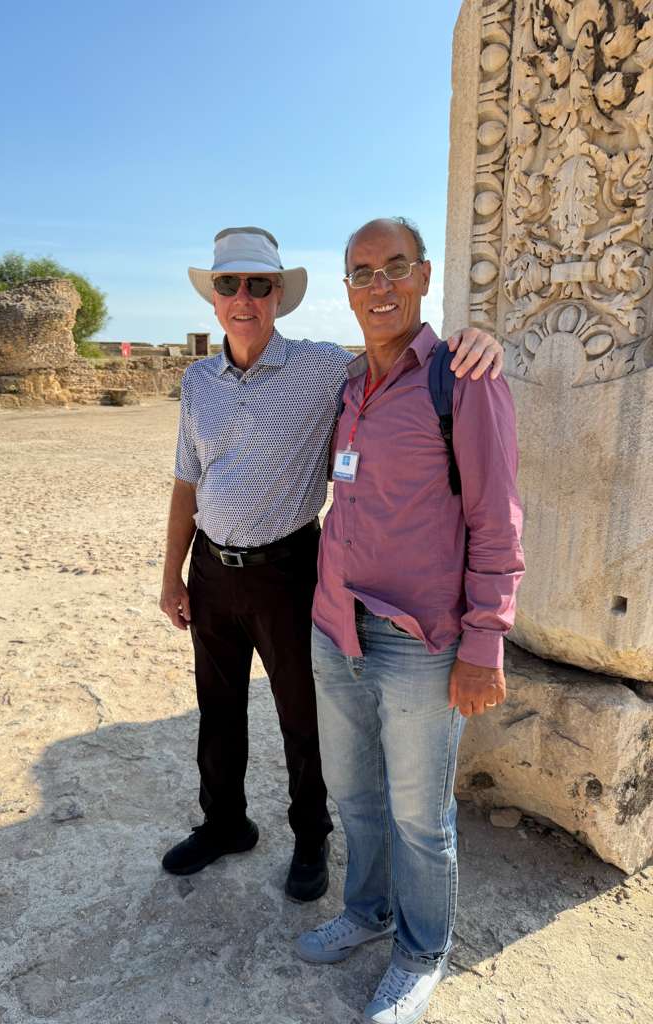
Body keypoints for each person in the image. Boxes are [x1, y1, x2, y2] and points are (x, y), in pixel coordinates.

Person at [158, 225, 504, 903]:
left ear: (278, 295)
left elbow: (396, 357)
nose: (244, 298)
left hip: (289, 570)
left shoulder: (322, 368)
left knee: (302, 716)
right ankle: (225, 824)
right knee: (217, 708)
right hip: (213, 570)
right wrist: (171, 574)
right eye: (229, 284)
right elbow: (186, 482)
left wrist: (477, 340)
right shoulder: (196, 381)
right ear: (214, 297)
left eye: (259, 285)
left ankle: (311, 838)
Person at [294, 217, 525, 1023]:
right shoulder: (345, 385)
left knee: (420, 817)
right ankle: (368, 912)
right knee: (355, 795)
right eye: (363, 273)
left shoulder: (463, 378)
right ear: (347, 289)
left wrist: (486, 640)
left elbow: (498, 518)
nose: (380, 286)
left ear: (425, 276)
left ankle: (422, 953)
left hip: (421, 642)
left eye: (395, 267)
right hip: (335, 628)